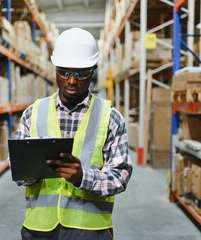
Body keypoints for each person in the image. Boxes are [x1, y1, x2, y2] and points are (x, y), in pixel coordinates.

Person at [14, 27, 133, 240]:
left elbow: (120, 177)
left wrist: (82, 177)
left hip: (90, 230)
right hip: (40, 229)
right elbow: (19, 170)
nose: (72, 80)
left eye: (81, 73)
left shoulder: (110, 117)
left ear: (93, 71)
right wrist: (28, 171)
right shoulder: (33, 113)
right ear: (55, 69)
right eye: (65, 72)